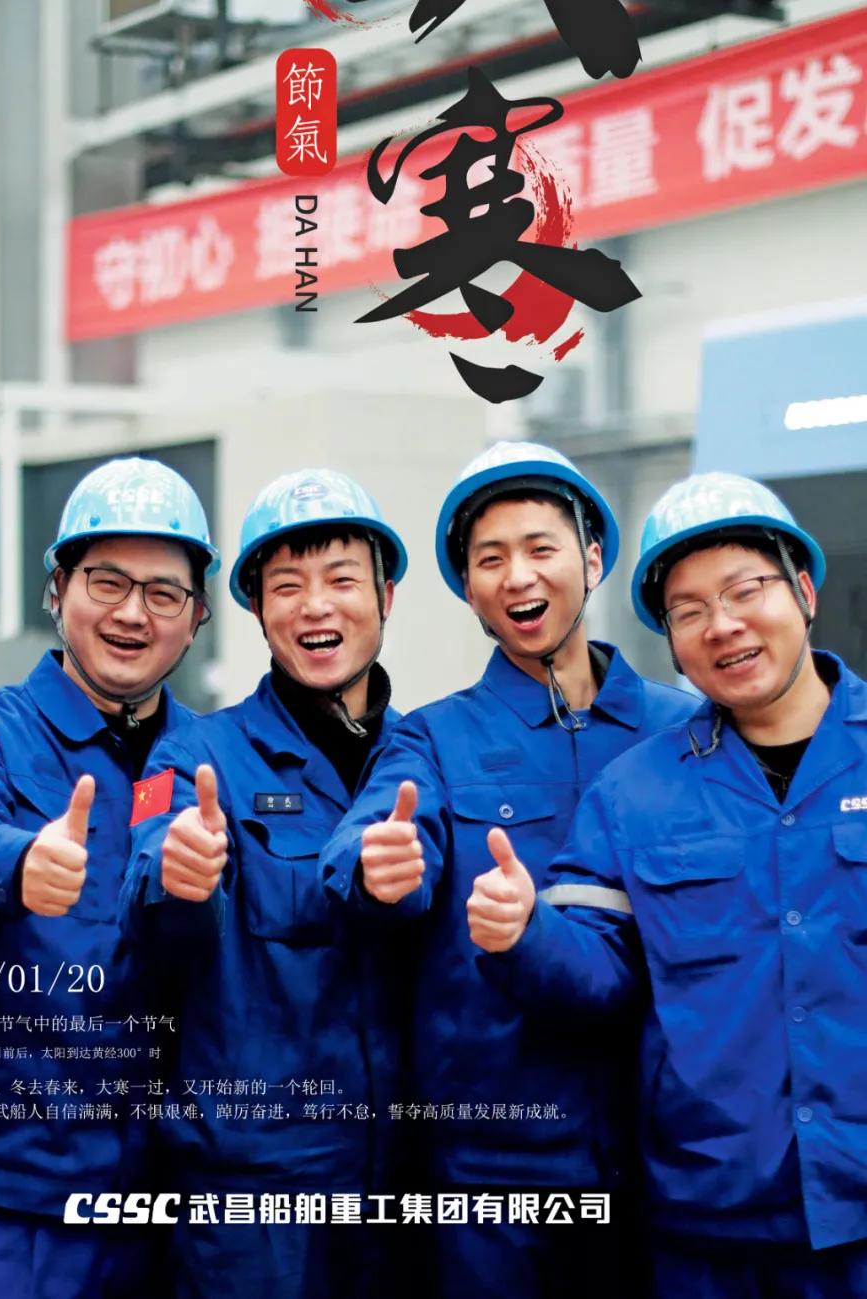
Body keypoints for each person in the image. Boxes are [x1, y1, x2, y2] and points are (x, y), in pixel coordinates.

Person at [470, 472, 867, 1298]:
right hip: (710, 1224)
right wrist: (526, 931)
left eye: (746, 590)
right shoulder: (634, 791)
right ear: (672, 642)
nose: (723, 625)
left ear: (803, 591)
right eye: (689, 611)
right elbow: (598, 968)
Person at [320, 441, 697, 1298]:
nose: (518, 576)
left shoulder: (682, 730)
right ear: (467, 586)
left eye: (540, 547)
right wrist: (380, 864)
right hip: (493, 1169)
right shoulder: (433, 736)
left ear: (592, 558)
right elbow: (370, 838)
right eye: (490, 559)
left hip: (662, 1161)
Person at [0, 456, 217, 1299]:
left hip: (173, 1200)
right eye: (106, 581)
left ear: (196, 616)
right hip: (17, 1203)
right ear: (57, 588)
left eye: (164, 592)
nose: (132, 612)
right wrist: (20, 863)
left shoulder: (211, 755)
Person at [120, 467, 408, 1299]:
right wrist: (177, 872)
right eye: (286, 586)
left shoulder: (419, 755)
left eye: (341, 579)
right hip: (251, 1194)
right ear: (254, 606)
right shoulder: (189, 754)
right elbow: (149, 865)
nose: (315, 607)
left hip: (396, 1177)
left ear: (387, 595)